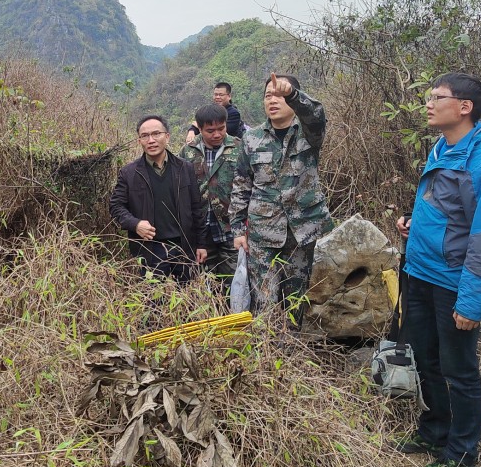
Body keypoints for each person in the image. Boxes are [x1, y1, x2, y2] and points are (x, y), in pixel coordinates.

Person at [395, 72, 481, 467]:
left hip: (453, 281)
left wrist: (471, 302)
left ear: (464, 107)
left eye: (437, 97)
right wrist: (416, 222)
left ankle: (463, 452)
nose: (428, 104)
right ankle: (434, 431)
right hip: (421, 272)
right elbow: (449, 209)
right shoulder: (443, 146)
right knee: (427, 360)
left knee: (458, 369)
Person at [229, 73, 331, 320]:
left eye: (279, 95)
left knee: (297, 299)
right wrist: (237, 231)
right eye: (267, 96)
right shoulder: (252, 139)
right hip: (262, 234)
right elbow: (242, 184)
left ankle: (292, 351)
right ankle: (266, 351)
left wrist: (294, 95)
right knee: (264, 301)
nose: (272, 101)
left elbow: (316, 115)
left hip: (302, 232)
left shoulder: (308, 133)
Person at [109, 113, 207, 284]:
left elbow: (197, 208)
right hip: (151, 250)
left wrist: (201, 244)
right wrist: (135, 224)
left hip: (184, 247)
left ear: (167, 136)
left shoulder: (185, 168)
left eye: (156, 134)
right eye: (145, 136)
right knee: (154, 304)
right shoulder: (130, 173)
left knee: (187, 301)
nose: (151, 140)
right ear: (139, 140)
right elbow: (116, 206)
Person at [180, 102, 242, 289]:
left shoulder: (240, 148)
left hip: (231, 229)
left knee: (234, 283)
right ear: (199, 128)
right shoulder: (188, 152)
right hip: (201, 231)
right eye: (210, 130)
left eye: (221, 128)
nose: (217, 134)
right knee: (205, 285)